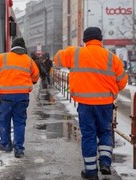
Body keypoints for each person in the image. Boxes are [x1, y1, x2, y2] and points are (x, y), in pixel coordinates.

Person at [53, 27, 128, 180]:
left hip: (85, 104)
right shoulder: (111, 57)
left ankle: (91, 171)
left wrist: (71, 49)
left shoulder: (76, 53)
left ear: (85, 40)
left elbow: (57, 59)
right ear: (100, 39)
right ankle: (105, 163)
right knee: (105, 132)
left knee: (88, 135)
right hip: (105, 103)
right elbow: (122, 82)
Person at [0, 37, 40, 158]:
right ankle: (19, 149)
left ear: (13, 47)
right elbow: (36, 76)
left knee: (4, 120)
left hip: (6, 96)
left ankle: (5, 144)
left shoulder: (3, 57)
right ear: (23, 48)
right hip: (22, 96)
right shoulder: (29, 60)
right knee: (20, 122)